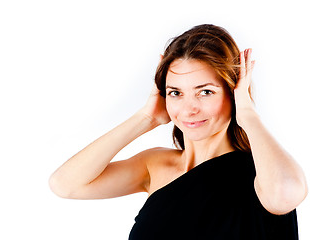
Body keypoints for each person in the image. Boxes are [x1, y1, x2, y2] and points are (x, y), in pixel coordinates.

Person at [49, 24, 308, 239]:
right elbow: (66, 185)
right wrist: (146, 118)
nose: (189, 109)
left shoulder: (263, 173)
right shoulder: (155, 165)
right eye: (176, 93)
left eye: (205, 92)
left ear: (233, 93)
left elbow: (286, 194)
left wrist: (248, 115)